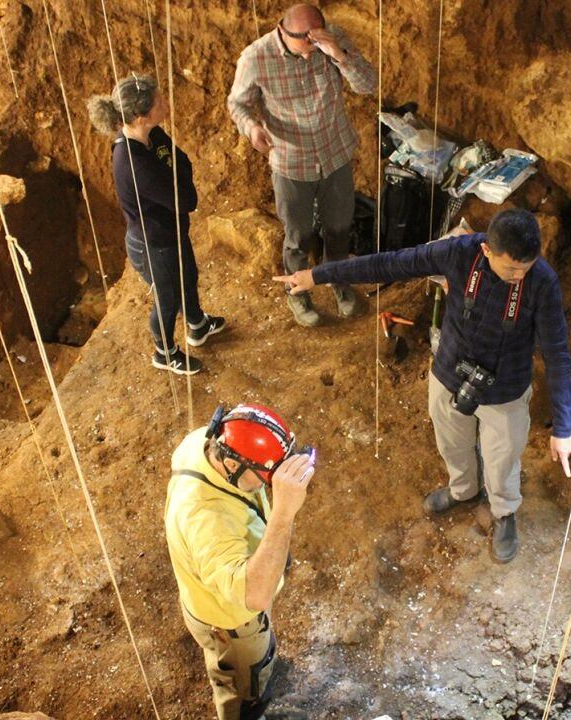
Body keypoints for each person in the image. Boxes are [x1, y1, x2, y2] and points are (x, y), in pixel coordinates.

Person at [275, 209, 571, 563]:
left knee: (502, 459)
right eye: (511, 268)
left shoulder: (542, 281)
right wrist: (317, 275)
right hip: (451, 371)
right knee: (451, 441)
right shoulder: (458, 252)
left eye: (525, 268)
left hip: (506, 387)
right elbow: (388, 264)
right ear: (487, 251)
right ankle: (463, 490)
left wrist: (564, 425)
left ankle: (504, 511)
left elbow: (557, 353)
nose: (518, 276)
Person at [227, 3, 377, 327]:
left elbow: (368, 84)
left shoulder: (332, 39)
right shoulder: (256, 58)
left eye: (316, 41)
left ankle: (339, 283)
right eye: (305, 44)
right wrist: (252, 127)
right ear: (284, 31)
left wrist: (338, 54)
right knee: (299, 235)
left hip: (334, 153)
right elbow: (237, 104)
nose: (312, 51)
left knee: (339, 229)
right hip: (291, 161)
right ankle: (297, 293)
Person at [165, 403, 315, 720]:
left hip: (212, 601)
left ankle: (243, 667)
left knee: (235, 661)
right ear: (232, 462)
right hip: (231, 622)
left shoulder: (205, 445)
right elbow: (255, 595)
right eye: (263, 476)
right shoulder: (206, 518)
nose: (267, 485)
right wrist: (284, 512)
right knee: (243, 691)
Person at [87, 74, 226, 375]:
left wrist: (178, 177)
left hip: (172, 231)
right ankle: (165, 352)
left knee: (188, 276)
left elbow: (184, 161)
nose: (165, 102)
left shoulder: (152, 134)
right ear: (140, 115)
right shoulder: (133, 163)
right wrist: (178, 178)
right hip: (154, 244)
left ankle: (197, 325)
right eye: (159, 101)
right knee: (167, 299)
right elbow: (187, 200)